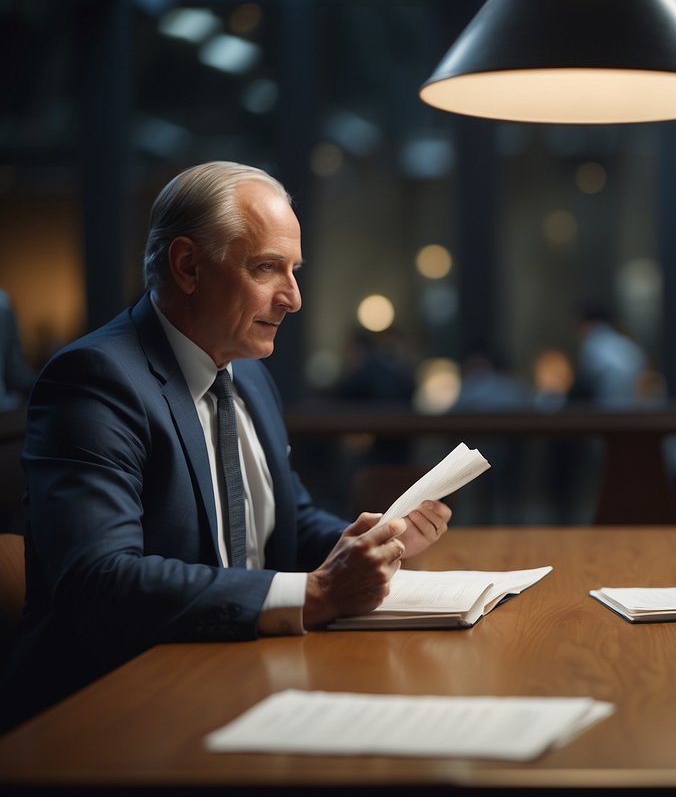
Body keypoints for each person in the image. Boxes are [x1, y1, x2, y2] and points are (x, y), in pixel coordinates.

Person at [0, 162, 453, 731]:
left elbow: (282, 522)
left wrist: (375, 541)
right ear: (188, 266)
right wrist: (314, 593)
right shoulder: (95, 380)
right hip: (112, 708)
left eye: (294, 270)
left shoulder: (248, 372)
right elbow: (100, 581)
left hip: (243, 673)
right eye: (267, 268)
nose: (293, 297)